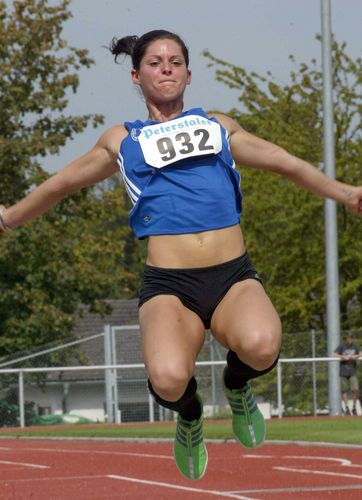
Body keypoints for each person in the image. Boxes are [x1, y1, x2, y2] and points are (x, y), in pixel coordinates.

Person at [1, 29, 362, 480]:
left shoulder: (218, 127)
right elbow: (60, 185)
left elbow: (284, 161)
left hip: (232, 276)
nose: (166, 67)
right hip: (170, 286)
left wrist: (347, 194)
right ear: (136, 75)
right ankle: (189, 416)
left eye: (175, 61)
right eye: (154, 62)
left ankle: (236, 386)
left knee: (263, 344)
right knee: (170, 378)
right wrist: (6, 218)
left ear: (189, 74)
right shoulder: (121, 140)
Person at [334, 334, 361, 416]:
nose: (350, 339)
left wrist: (354, 356)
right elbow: (334, 354)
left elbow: (360, 353)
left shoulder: (355, 346)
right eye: (349, 338)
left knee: (355, 389)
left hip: (352, 371)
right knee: (344, 390)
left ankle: (354, 407)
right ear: (345, 339)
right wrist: (343, 357)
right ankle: (346, 408)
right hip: (343, 372)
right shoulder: (341, 346)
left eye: (351, 338)